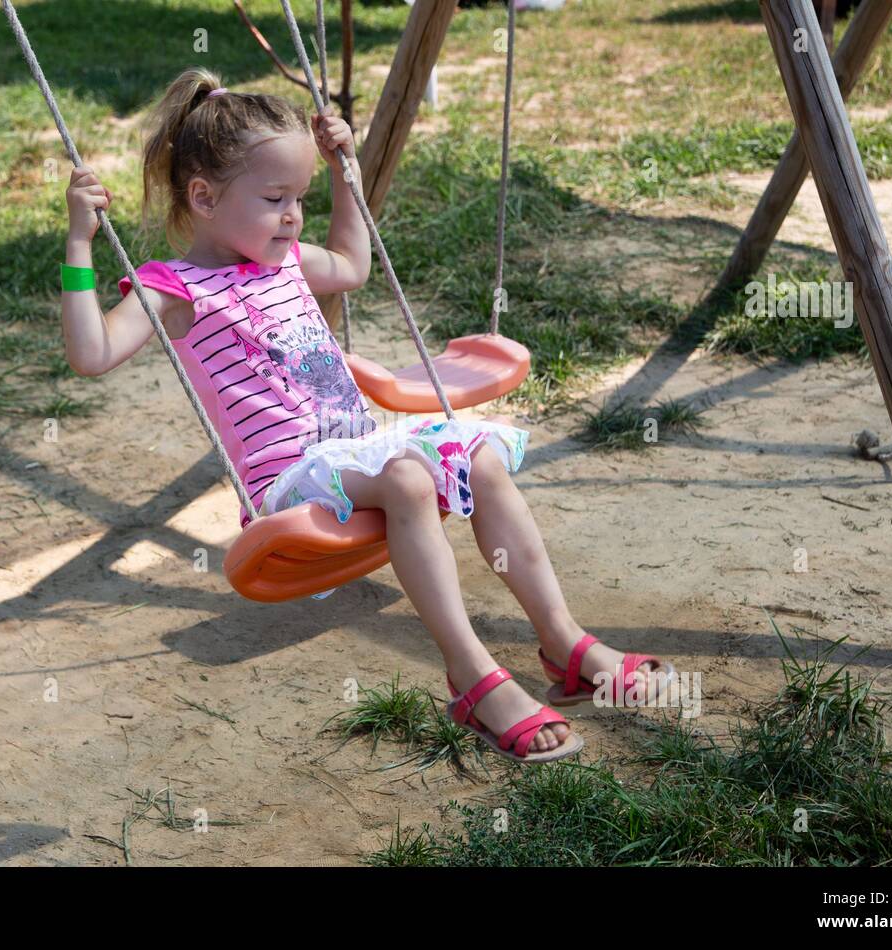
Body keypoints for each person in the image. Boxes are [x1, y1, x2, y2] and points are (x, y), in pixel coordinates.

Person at [58, 68, 675, 762]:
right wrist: (80, 244)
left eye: (300, 198)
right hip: (289, 479)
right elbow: (93, 352)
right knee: (411, 480)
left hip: (355, 452)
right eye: (275, 199)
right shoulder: (176, 290)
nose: (293, 216)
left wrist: (343, 171)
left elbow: (351, 265)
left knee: (483, 457)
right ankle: (473, 678)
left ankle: (565, 643)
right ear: (202, 197)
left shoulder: (284, 260)